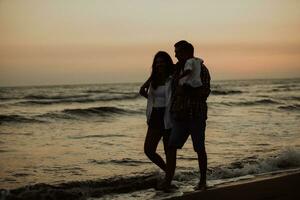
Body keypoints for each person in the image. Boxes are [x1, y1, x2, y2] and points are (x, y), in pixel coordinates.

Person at [163, 40, 211, 191]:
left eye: (177, 52)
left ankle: (202, 181)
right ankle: (168, 181)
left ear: (187, 53)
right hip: (179, 116)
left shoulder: (201, 69)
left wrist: (186, 90)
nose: (175, 54)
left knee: (199, 148)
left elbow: (205, 93)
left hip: (196, 114)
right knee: (171, 147)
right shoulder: (177, 69)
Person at [140, 51, 174, 175]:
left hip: (168, 116)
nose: (159, 64)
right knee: (148, 149)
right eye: (157, 62)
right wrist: (152, 99)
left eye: (162, 62)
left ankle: (168, 178)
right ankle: (168, 172)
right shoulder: (154, 78)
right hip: (155, 115)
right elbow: (142, 90)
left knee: (168, 150)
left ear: (167, 62)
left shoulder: (172, 77)